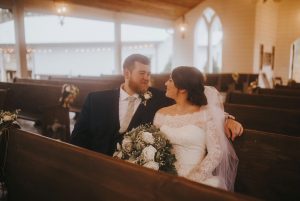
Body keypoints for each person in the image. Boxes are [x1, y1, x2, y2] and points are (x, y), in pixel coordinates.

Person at [71, 54, 243, 156]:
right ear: (127, 73)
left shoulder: (160, 99)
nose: (147, 77)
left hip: (135, 172)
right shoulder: (96, 100)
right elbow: (77, 140)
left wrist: (226, 118)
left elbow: (194, 103)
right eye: (142, 73)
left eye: (149, 73)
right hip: (98, 166)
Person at [153, 66, 238, 191]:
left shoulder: (206, 114)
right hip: (164, 176)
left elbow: (215, 153)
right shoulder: (160, 113)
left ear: (182, 89)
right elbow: (153, 145)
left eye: (170, 80)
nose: (165, 83)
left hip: (197, 179)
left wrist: (191, 181)